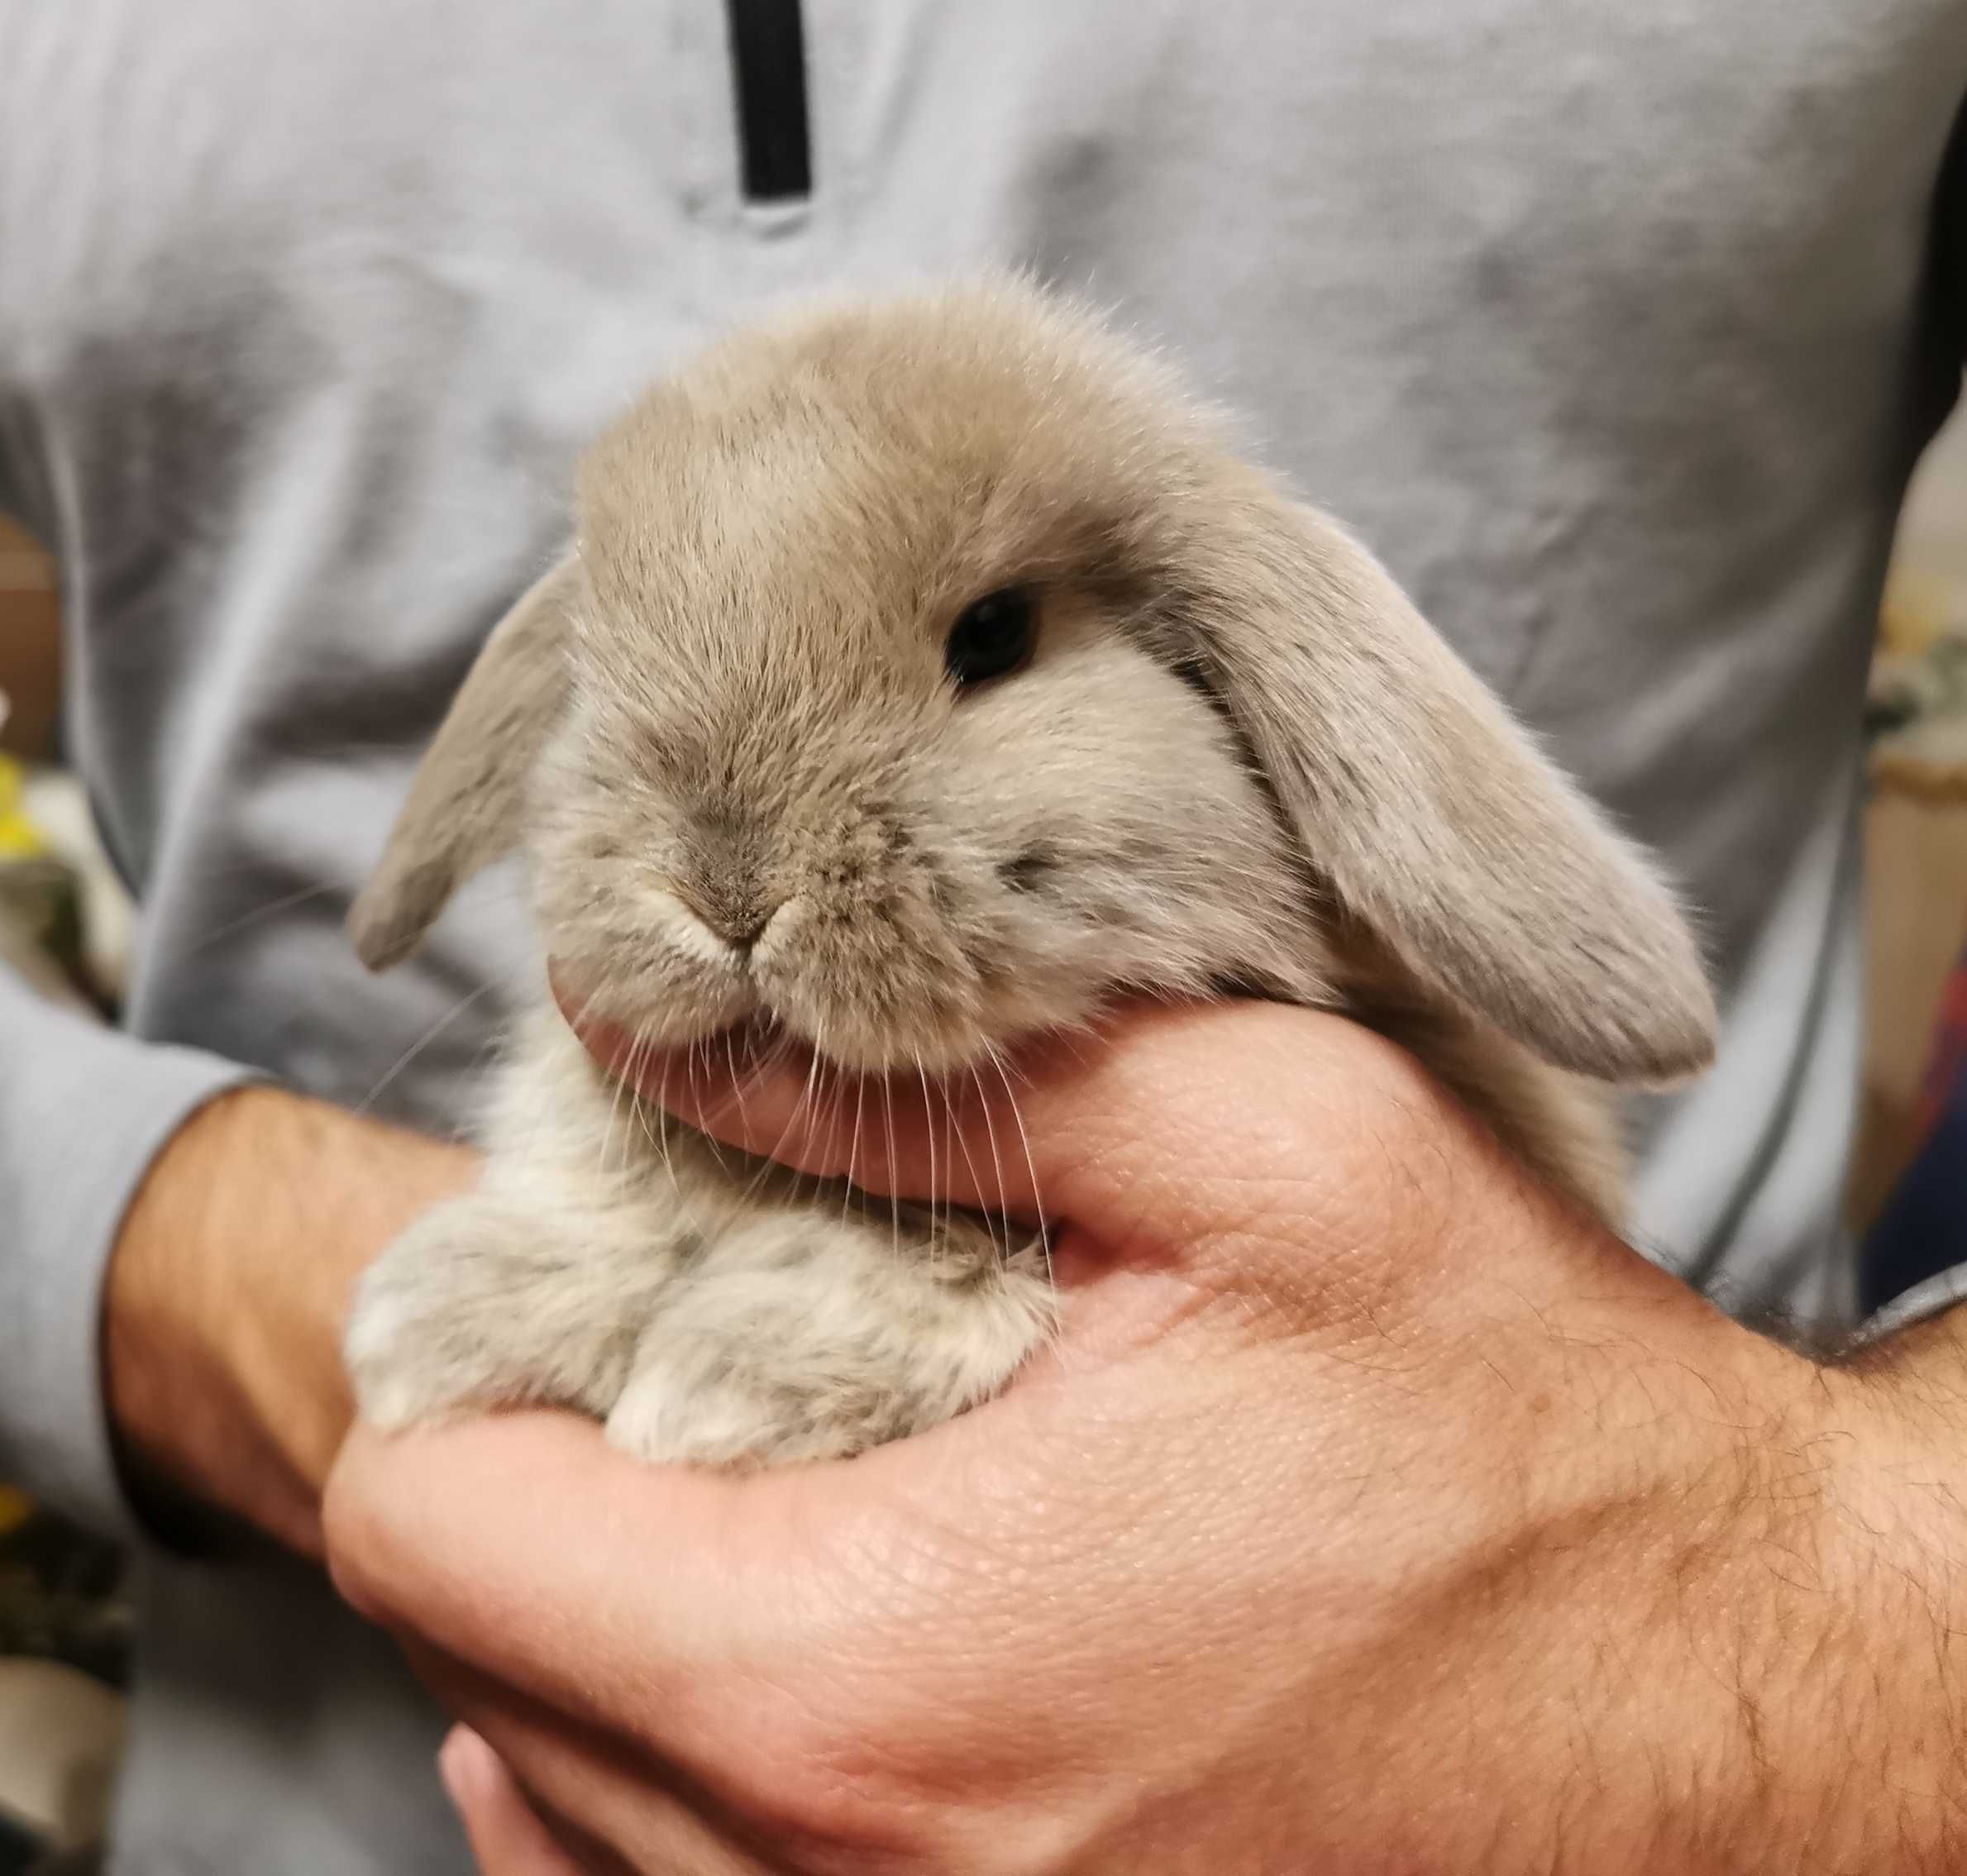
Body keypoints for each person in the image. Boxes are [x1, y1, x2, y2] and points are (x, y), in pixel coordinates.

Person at [1, 1, 1964, 1869]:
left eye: (983, 645)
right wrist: (176, 1234)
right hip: (321, 1782)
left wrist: (1819, 1625)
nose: (744, 883)